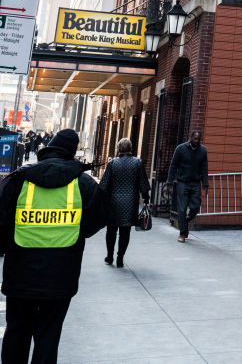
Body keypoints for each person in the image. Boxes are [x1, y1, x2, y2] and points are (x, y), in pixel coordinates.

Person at [0, 128, 107, 364]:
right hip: (60, 278)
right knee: (48, 336)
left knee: (16, 332)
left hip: (20, 276)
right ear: (71, 153)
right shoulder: (84, 185)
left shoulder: (18, 180)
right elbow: (95, 223)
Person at [98, 138, 150, 267]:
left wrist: (101, 200)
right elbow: (143, 183)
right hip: (130, 201)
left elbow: (104, 184)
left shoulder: (112, 163)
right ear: (131, 148)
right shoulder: (137, 163)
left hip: (113, 201)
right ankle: (120, 258)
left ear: (118, 148)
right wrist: (145, 198)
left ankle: (109, 256)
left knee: (111, 230)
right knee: (125, 231)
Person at [165, 130, 208, 242]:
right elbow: (173, 166)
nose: (197, 141)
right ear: (191, 137)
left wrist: (205, 183)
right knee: (182, 209)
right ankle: (182, 233)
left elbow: (204, 168)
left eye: (199, 139)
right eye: (195, 139)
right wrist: (169, 182)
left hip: (195, 183)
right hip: (182, 182)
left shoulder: (202, 151)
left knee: (195, 206)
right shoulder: (180, 149)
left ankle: (186, 221)